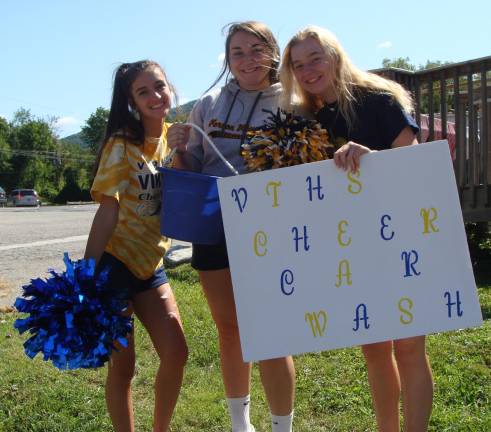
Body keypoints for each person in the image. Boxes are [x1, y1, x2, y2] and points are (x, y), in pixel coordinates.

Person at [280, 26, 434, 432]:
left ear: (335, 55)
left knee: (410, 348)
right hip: (351, 243)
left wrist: (374, 157)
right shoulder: (305, 120)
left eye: (316, 57)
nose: (309, 69)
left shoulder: (378, 100)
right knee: (374, 348)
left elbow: (415, 164)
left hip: (400, 234)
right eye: (299, 64)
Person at [167, 22, 295, 432]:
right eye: (236, 52)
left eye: (255, 49)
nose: (246, 59)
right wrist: (178, 150)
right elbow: (190, 168)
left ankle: (281, 426)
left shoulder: (292, 101)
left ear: (273, 53)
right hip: (214, 224)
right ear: (227, 59)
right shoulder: (209, 103)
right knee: (230, 329)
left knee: (273, 332)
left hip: (269, 225)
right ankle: (241, 425)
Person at [84, 60, 188, 432]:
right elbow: (108, 210)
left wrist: (184, 152)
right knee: (124, 366)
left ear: (170, 86)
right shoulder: (122, 144)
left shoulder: (176, 136)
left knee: (176, 353)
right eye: (143, 92)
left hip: (151, 263)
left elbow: (188, 191)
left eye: (159, 86)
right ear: (132, 101)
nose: (155, 96)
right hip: (115, 263)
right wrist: (87, 275)